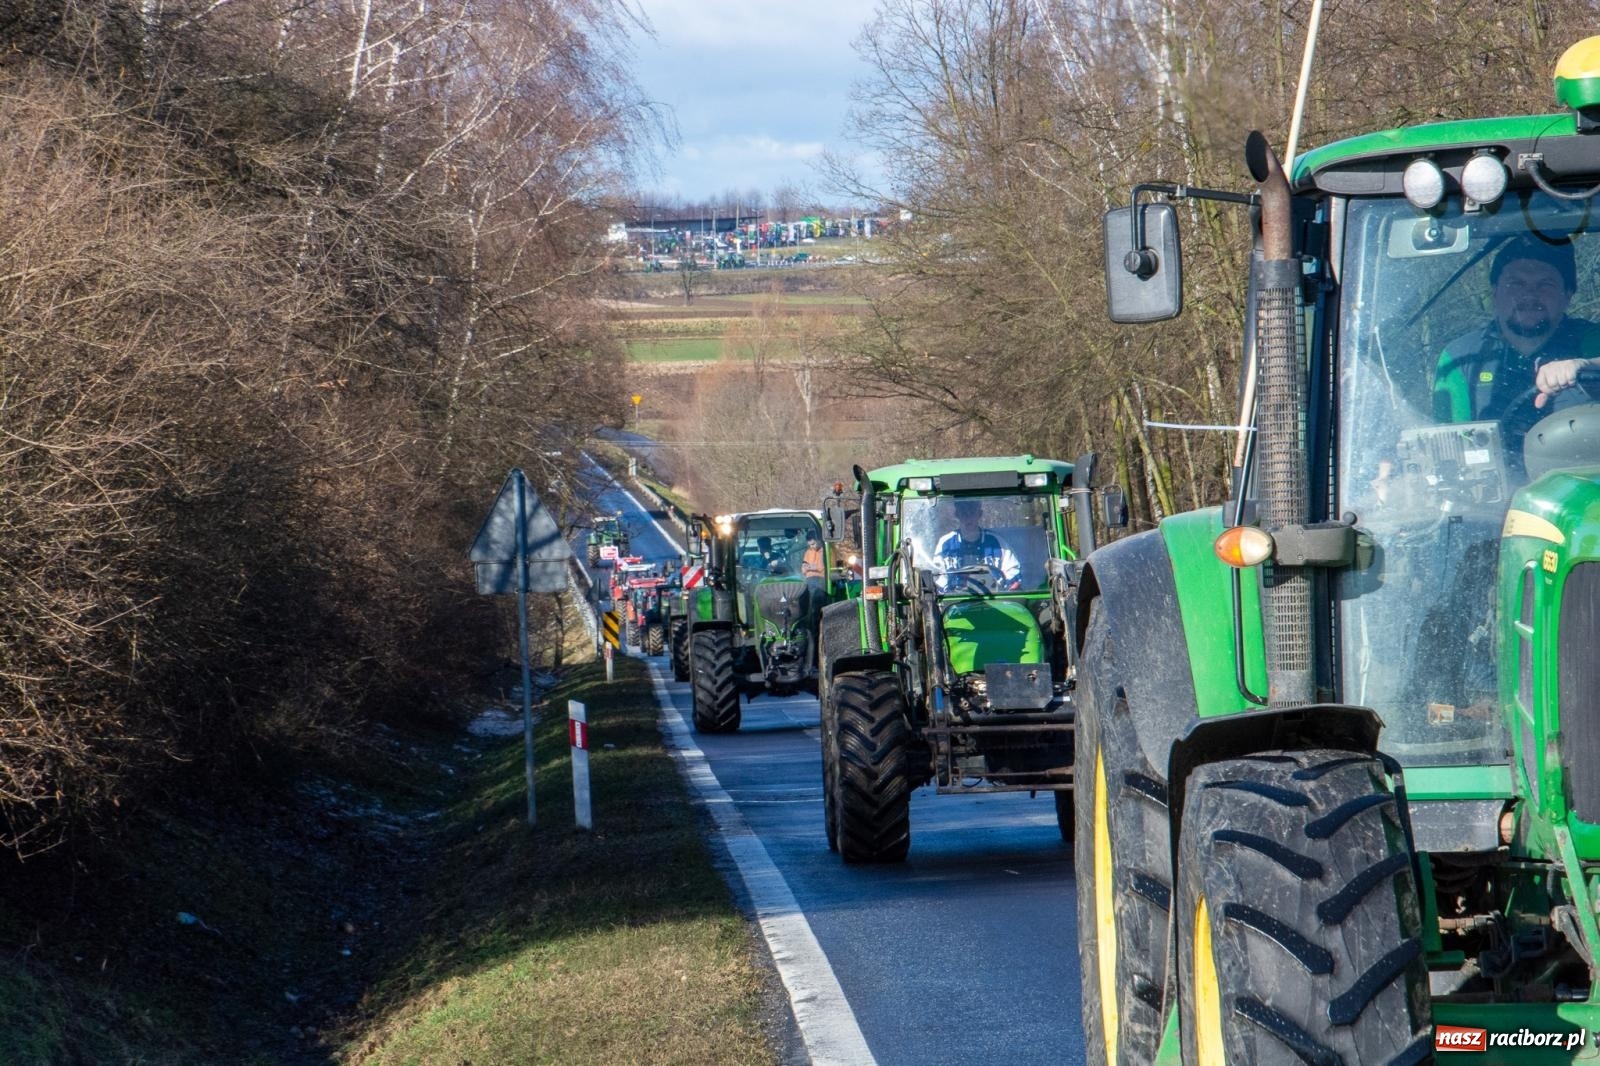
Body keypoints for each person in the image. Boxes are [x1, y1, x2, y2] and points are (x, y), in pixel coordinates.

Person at [1432, 235, 1600, 428]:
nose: (1529, 294)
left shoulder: (1591, 339)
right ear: (1495, 292)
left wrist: (1586, 366)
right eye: (1515, 284)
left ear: (1567, 295)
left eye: (1545, 285)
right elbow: (1447, 441)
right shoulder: (1460, 358)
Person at [933, 499, 1020, 590]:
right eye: (963, 512)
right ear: (957, 514)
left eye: (972, 512)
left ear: (980, 514)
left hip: (993, 598)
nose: (968, 517)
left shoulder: (997, 542)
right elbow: (938, 578)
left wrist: (1003, 587)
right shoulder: (945, 544)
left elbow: (1013, 571)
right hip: (957, 599)